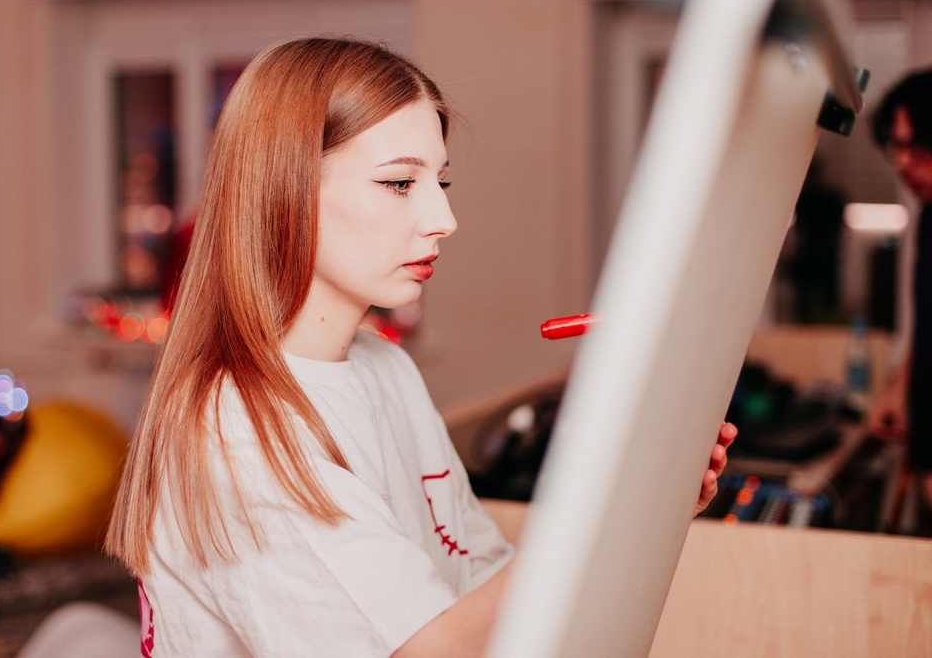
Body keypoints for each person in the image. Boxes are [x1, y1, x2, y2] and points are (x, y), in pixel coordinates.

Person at [106, 37, 736, 658]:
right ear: (284, 191)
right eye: (400, 183)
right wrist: (606, 505)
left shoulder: (388, 369)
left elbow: (482, 581)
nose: (444, 219)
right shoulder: (239, 431)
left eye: (442, 181)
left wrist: (648, 504)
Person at [869, 69, 932, 511]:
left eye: (919, 147)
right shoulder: (929, 216)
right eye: (898, 146)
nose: (904, 163)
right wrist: (900, 386)